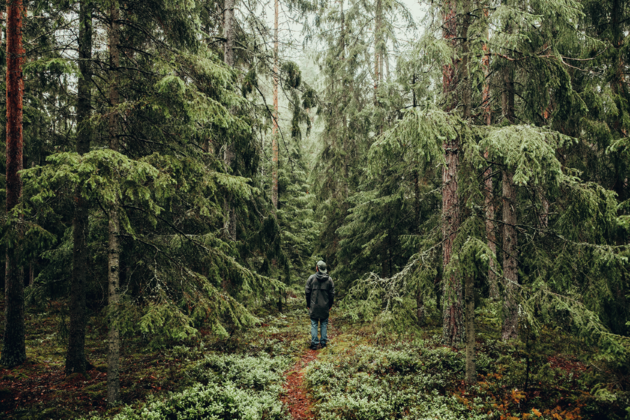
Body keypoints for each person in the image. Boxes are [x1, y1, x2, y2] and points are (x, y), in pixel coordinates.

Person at [305, 260, 335, 350]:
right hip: (325, 307)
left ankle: (314, 344)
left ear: (317, 268)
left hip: (314, 306)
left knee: (314, 324)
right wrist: (330, 305)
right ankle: (323, 343)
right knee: (324, 324)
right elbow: (332, 294)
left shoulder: (311, 278)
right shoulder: (329, 280)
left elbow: (307, 292)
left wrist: (308, 304)